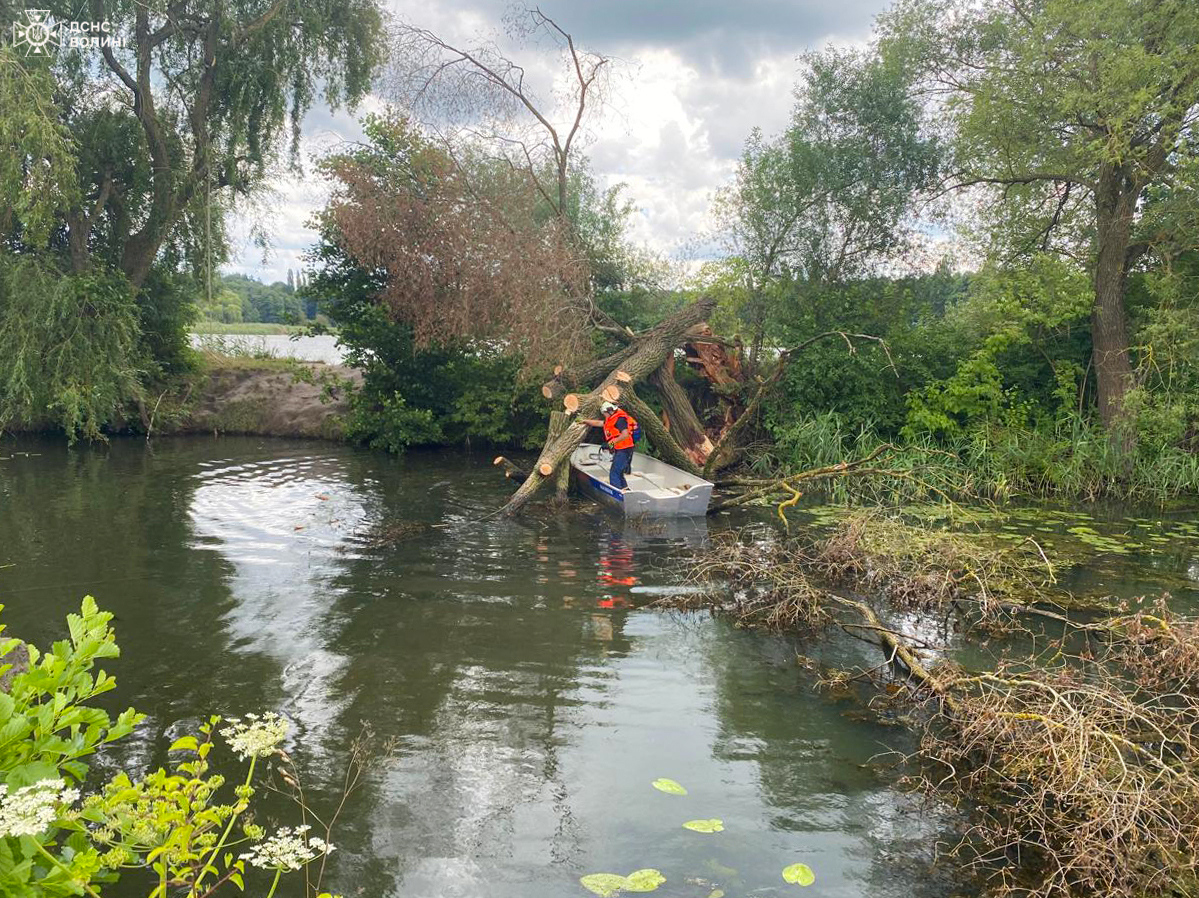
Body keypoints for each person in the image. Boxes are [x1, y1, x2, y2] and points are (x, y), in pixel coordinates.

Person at [583, 401, 638, 490]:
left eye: (604, 413)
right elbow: (599, 423)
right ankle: (625, 489)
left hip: (625, 449)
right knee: (619, 471)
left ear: (608, 411)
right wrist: (585, 421)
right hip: (620, 449)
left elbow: (625, 434)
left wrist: (611, 444)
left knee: (614, 472)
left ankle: (616, 492)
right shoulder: (611, 419)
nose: (604, 415)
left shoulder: (620, 420)